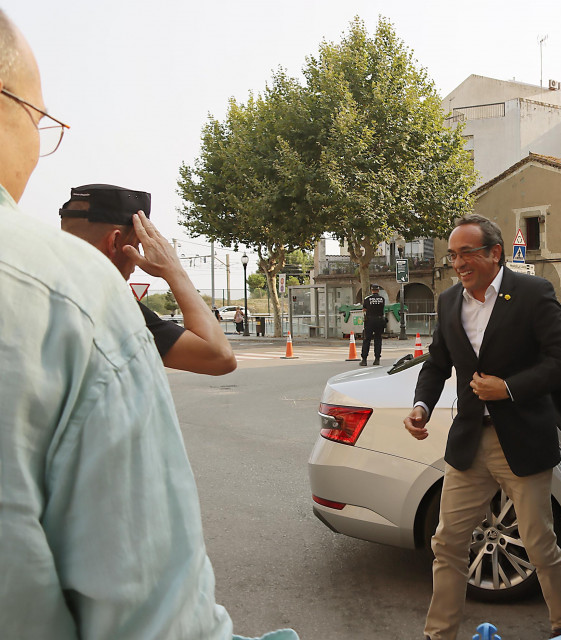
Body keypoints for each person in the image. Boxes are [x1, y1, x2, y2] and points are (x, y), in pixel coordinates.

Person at [0, 12, 294, 639]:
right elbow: (219, 355)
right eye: (40, 120)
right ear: (123, 242)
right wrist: (174, 270)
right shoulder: (90, 299)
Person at [403, 215, 561, 640]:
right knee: (447, 544)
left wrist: (509, 388)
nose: (458, 263)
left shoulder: (532, 293)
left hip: (521, 441)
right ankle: (439, 634)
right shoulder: (449, 301)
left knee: (539, 544)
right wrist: (421, 406)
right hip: (469, 442)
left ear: (494, 253)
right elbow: (436, 363)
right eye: (453, 255)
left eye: (466, 253)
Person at [60, 184, 236, 375]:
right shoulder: (109, 307)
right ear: (115, 242)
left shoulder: (42, 286)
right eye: (138, 245)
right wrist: (175, 271)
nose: (137, 262)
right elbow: (219, 356)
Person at [360, 283, 386, 366]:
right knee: (378, 339)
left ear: (371, 290)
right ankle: (377, 359)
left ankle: (364, 359)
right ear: (378, 290)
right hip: (379, 320)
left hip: (370, 320)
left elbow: (364, 309)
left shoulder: (367, 299)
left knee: (367, 339)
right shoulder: (382, 299)